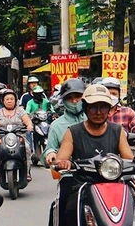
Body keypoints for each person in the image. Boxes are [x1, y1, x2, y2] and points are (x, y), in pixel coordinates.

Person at [55, 85, 135, 226]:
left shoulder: (117, 130)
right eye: (93, 107)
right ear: (85, 108)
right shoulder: (73, 132)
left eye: (103, 107)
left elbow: (128, 158)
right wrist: (63, 163)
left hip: (116, 184)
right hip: (84, 185)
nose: (98, 112)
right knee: (70, 212)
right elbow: (61, 158)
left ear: (109, 110)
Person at [42, 78, 87, 226]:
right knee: (64, 208)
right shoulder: (57, 125)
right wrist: (50, 155)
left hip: (100, 174)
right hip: (71, 175)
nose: (74, 101)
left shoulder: (95, 119)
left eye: (78, 97)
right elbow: (50, 148)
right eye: (69, 98)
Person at [101, 76, 135, 200]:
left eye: (114, 93)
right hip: (101, 152)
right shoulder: (97, 112)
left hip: (125, 153)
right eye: (108, 93)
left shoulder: (128, 112)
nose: (111, 96)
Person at [0, 89, 33, 182]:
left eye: (11, 99)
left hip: (19, 137)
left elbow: (28, 121)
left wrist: (29, 126)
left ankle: (27, 171)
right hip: (3, 137)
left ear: (15, 100)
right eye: (7, 99)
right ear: (3, 101)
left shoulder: (20, 111)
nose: (9, 101)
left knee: (27, 149)